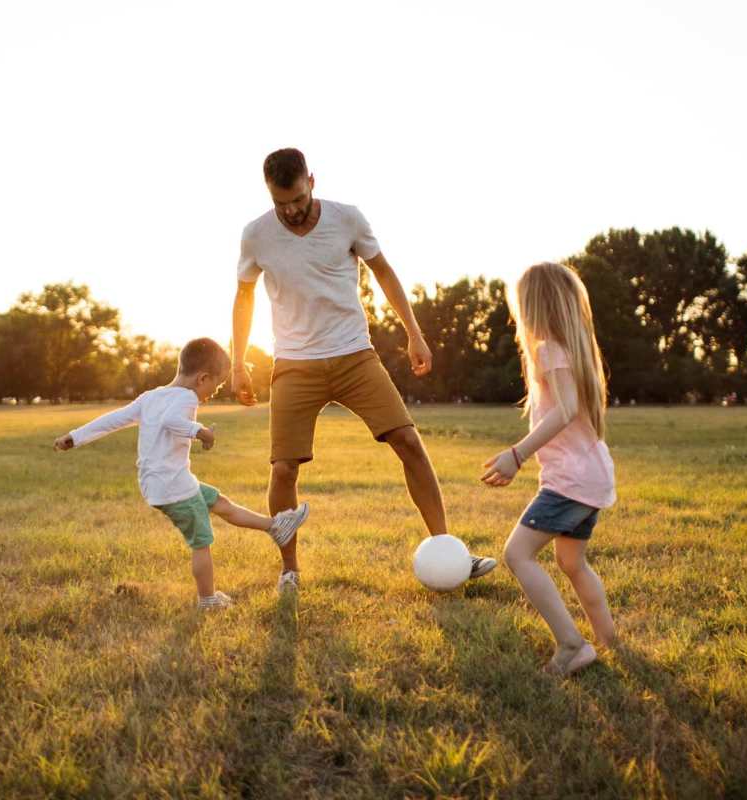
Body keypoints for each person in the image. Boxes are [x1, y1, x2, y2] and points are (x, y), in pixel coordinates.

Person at [231, 147, 495, 593]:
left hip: (355, 354)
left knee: (409, 442)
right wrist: (237, 362)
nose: (292, 211)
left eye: (297, 199)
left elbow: (384, 273)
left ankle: (449, 549)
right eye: (282, 204)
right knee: (283, 470)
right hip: (295, 364)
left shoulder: (347, 218)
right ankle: (289, 570)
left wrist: (414, 332)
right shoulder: (256, 235)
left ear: (312, 181)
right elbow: (244, 297)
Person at [53, 337, 310, 610]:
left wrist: (75, 437)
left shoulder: (150, 397)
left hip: (162, 484)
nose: (214, 391)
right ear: (202, 378)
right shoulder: (187, 397)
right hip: (174, 486)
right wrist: (202, 432)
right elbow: (172, 421)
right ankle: (208, 599)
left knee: (219, 502)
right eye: (217, 384)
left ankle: (276, 527)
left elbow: (114, 419)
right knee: (201, 541)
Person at [480, 262, 617, 676]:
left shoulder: (549, 351)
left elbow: (565, 411)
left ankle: (573, 646)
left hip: (571, 482)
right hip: (590, 476)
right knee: (572, 563)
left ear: (533, 308)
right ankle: (610, 641)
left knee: (517, 554)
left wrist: (517, 454)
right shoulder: (573, 350)